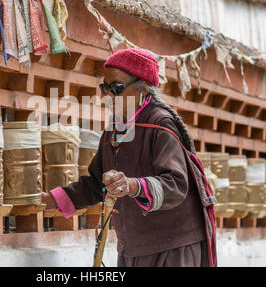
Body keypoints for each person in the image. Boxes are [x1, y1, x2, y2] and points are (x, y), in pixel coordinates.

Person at [42, 48, 215, 267]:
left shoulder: (160, 124)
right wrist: (56, 199)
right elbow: (98, 184)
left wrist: (133, 186)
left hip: (173, 247)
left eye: (116, 88)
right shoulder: (115, 128)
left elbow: (176, 184)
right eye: (105, 87)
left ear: (142, 87)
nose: (108, 96)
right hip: (134, 246)